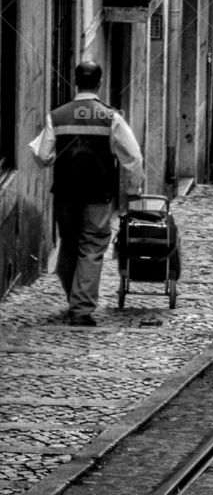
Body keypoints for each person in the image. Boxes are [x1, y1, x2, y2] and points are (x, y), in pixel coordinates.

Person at [29, 61, 143, 326]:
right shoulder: (110, 117)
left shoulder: (57, 116)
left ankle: (75, 298)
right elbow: (133, 157)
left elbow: (43, 156)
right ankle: (80, 309)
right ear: (100, 83)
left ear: (75, 81)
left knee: (68, 244)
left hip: (65, 195)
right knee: (92, 247)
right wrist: (133, 191)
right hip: (98, 195)